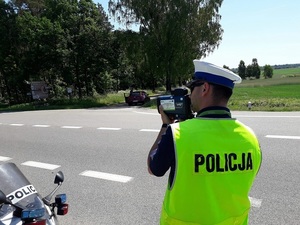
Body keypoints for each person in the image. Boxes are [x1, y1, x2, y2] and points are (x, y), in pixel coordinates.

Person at [147, 60, 262, 225]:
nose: (189, 95)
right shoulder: (251, 137)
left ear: (205, 88)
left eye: (192, 88)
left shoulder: (177, 134)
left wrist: (166, 125)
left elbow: (153, 168)